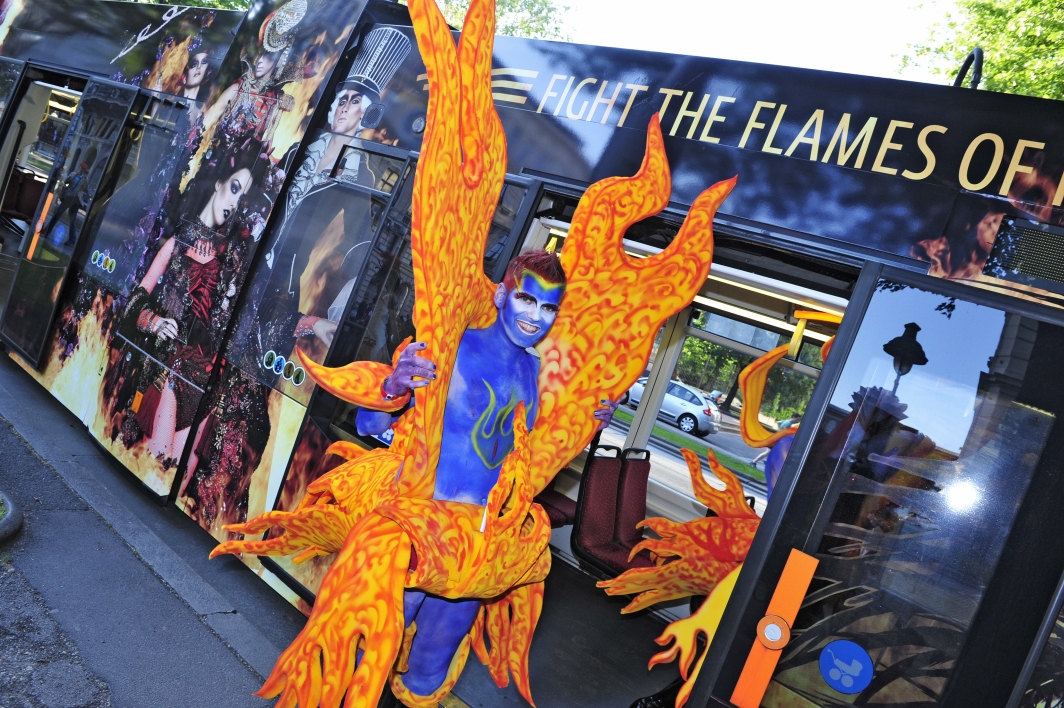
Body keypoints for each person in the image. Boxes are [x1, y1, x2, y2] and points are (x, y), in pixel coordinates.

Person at [356, 250, 618, 700]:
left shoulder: (538, 376)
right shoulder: (446, 344)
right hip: (417, 532)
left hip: (476, 548)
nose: (536, 317)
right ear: (501, 295)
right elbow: (368, 426)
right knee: (368, 660)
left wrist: (589, 421)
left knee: (429, 671)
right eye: (527, 299)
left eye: (549, 307)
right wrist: (392, 386)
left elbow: (530, 464)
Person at [117, 152, 257, 466]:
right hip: (170, 367)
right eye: (234, 188)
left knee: (174, 473)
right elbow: (132, 303)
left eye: (243, 199)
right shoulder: (177, 243)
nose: (235, 202)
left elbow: (234, 324)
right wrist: (153, 321)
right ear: (219, 183)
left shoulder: (233, 260)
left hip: (207, 377)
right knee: (156, 461)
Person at [41, 161, 89, 246]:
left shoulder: (85, 180)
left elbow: (83, 190)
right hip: (68, 197)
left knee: (72, 220)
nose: (80, 169)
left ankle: (72, 240)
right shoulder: (73, 174)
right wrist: (75, 175)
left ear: (84, 170)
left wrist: (83, 177)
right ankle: (46, 231)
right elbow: (66, 181)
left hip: (75, 200)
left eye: (82, 169)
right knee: (57, 214)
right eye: (80, 168)